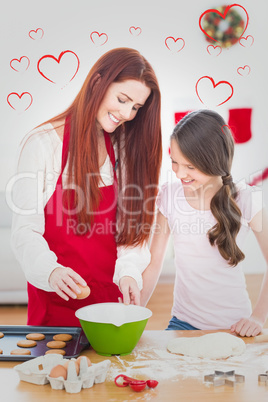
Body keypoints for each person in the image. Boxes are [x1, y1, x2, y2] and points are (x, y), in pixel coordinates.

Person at [10, 47, 162, 326]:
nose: (127, 114)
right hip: (56, 305)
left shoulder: (123, 149)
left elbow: (132, 228)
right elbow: (25, 232)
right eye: (122, 99)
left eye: (136, 107)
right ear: (97, 83)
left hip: (110, 309)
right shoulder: (42, 144)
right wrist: (51, 271)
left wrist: (129, 272)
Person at [141, 109, 268, 337]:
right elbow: (153, 263)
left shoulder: (246, 199)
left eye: (190, 166)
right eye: (175, 162)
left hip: (235, 325)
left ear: (214, 162)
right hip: (183, 322)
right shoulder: (169, 196)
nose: (180, 173)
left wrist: (258, 317)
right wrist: (134, 311)